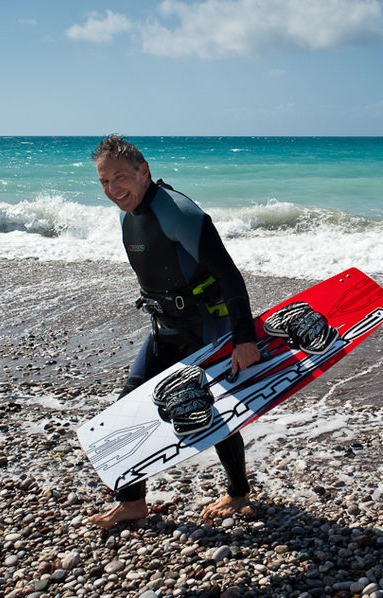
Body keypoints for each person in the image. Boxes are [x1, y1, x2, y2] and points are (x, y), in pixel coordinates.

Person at [88, 134, 261, 528]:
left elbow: (230, 277)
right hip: (164, 329)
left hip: (206, 330)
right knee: (124, 409)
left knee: (216, 415)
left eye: (120, 177)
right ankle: (132, 502)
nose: (113, 189)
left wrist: (244, 338)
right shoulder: (126, 213)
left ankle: (238, 496)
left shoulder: (180, 212)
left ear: (143, 172)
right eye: (103, 182)